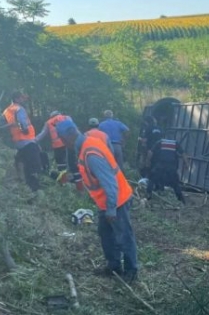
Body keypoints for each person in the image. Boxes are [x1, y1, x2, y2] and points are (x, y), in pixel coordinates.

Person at [56, 118, 138, 283]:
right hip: (107, 201)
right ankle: (113, 266)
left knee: (123, 237)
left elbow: (110, 183)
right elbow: (91, 175)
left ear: (68, 137)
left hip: (116, 200)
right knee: (105, 234)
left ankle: (131, 272)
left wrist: (111, 209)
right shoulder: (87, 144)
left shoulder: (91, 153)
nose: (63, 144)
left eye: (63, 140)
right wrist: (71, 177)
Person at [0, 91, 43, 192]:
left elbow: (1, 127)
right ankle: (35, 189)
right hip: (27, 141)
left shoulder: (6, 111)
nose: (23, 100)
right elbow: (22, 122)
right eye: (22, 98)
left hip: (18, 143)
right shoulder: (19, 109)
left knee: (26, 167)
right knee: (33, 167)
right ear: (17, 99)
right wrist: (24, 129)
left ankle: (29, 189)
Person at [146, 129, 190, 204]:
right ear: (173, 136)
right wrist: (186, 164)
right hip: (171, 167)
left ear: (165, 135)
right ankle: (182, 201)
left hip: (160, 165)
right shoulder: (175, 143)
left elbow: (150, 152)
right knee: (175, 184)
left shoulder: (160, 142)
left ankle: (148, 195)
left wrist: (148, 162)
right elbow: (183, 154)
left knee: (152, 179)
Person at [36, 111, 77, 175]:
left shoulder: (48, 122)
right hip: (69, 143)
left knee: (60, 163)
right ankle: (74, 175)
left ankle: (63, 178)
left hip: (57, 146)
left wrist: (34, 140)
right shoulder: (66, 117)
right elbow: (74, 128)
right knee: (72, 160)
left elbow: (42, 134)